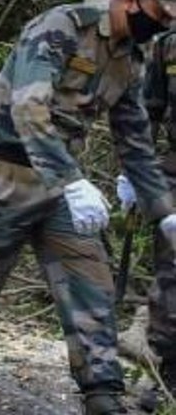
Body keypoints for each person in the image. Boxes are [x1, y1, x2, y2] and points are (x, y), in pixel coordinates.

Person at [0, 0, 176, 415]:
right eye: (161, 13)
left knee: (91, 278)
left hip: (62, 184)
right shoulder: (62, 26)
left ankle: (101, 390)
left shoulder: (131, 59)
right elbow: (28, 109)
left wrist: (164, 212)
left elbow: (135, 142)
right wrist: (72, 182)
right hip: (5, 173)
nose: (165, 23)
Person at [134, 27, 176, 410]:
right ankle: (167, 377)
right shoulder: (169, 43)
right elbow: (148, 111)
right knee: (171, 276)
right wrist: (134, 173)